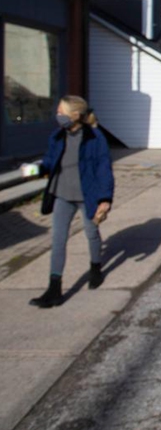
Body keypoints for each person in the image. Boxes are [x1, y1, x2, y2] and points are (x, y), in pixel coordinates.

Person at [30, 95, 114, 308]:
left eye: (61, 112)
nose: (57, 115)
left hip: (87, 196)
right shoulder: (57, 136)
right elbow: (50, 160)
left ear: (75, 115)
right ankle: (54, 289)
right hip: (62, 195)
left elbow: (104, 168)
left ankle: (95, 268)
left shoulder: (95, 138)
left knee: (91, 234)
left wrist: (105, 198)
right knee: (58, 240)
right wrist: (38, 168)